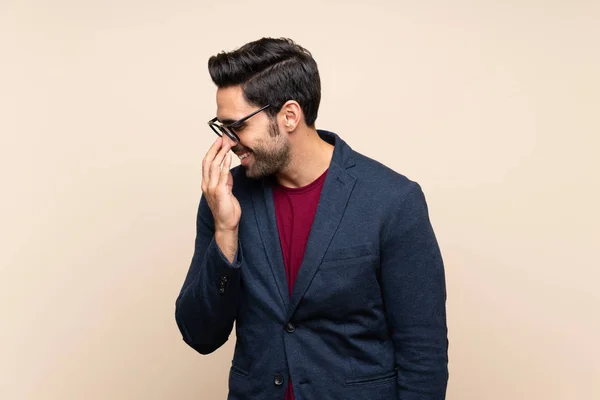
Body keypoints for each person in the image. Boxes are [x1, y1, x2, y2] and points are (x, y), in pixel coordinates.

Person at [175, 37, 448, 400]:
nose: (228, 143)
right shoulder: (225, 195)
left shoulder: (392, 201)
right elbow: (199, 335)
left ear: (289, 115)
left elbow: (423, 353)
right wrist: (226, 232)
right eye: (221, 128)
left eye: (236, 126)